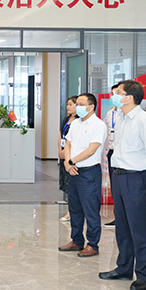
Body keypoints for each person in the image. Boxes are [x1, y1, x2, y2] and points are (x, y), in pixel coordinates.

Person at [98, 80, 146, 290]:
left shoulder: (144, 120)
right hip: (119, 176)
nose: (114, 95)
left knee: (139, 228)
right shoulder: (121, 118)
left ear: (129, 97)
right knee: (122, 226)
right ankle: (124, 268)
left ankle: (145, 274)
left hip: (137, 179)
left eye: (119, 92)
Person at [58, 93, 107, 257]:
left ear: (91, 107)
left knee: (90, 209)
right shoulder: (75, 123)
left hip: (88, 172)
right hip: (73, 171)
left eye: (80, 104)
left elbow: (92, 150)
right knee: (74, 208)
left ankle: (93, 244)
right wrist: (67, 162)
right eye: (76, 103)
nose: (77, 106)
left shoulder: (98, 125)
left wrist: (72, 161)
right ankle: (77, 240)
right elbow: (68, 144)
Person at [102, 83, 123, 227]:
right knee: (114, 185)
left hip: (122, 152)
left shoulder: (125, 115)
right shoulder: (110, 114)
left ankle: (123, 218)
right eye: (112, 94)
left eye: (117, 93)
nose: (114, 96)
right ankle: (117, 216)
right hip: (111, 151)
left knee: (122, 186)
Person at [59, 96, 78, 222]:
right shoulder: (66, 119)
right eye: (67, 104)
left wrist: (67, 155)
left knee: (72, 185)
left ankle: (72, 211)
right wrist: (60, 150)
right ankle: (71, 209)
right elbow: (61, 135)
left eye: (71, 104)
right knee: (65, 184)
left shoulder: (79, 121)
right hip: (64, 154)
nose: (68, 107)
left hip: (72, 156)